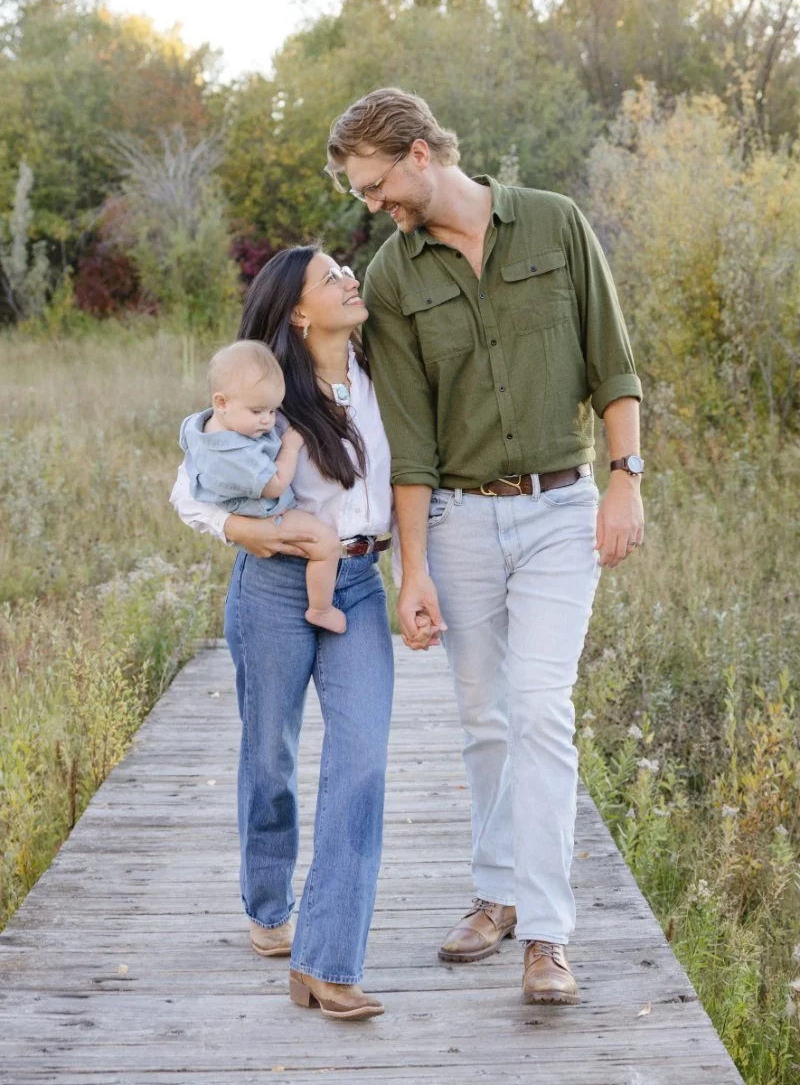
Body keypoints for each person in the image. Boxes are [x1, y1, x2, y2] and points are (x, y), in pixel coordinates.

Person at [325, 87, 645, 1006]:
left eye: (379, 185)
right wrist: (412, 568)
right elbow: (411, 443)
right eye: (363, 194)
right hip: (459, 522)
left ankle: (547, 933)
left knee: (541, 708)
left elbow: (612, 360)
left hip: (560, 512)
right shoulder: (390, 278)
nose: (374, 205)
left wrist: (625, 476)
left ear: (421, 154)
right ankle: (496, 894)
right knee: (484, 720)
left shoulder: (554, 223)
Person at [170, 246, 394, 1020]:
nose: (349, 280)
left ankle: (327, 962)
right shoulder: (265, 393)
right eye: (332, 277)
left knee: (362, 758)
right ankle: (269, 908)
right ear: (299, 312)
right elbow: (189, 484)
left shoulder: (383, 370)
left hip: (360, 583)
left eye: (346, 271)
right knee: (271, 754)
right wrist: (242, 529)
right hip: (273, 585)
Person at [180, 339, 347, 633]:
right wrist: (291, 447)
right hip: (267, 514)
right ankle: (321, 608)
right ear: (221, 403)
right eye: (258, 411)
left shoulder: (202, 426)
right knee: (327, 544)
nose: (268, 421)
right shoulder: (236, 454)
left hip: (256, 511)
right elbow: (274, 485)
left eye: (272, 411)